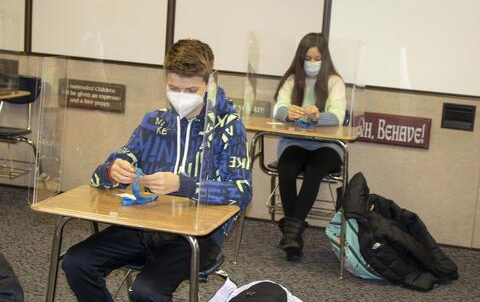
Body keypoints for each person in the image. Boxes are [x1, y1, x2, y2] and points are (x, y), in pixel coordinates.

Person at [62, 39, 252, 302]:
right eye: (174, 88)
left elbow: (241, 191)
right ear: (165, 82)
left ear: (207, 84)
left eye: (191, 89)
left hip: (194, 237)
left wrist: (183, 185)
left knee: (146, 292)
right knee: (76, 262)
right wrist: (112, 171)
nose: (181, 96)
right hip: (143, 226)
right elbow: (99, 176)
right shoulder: (154, 122)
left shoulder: (228, 127)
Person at [273, 32, 346, 262]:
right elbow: (278, 108)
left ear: (325, 58)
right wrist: (288, 113)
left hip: (328, 146)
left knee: (315, 169)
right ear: (300, 57)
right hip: (295, 142)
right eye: (308, 58)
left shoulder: (335, 81)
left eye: (317, 59)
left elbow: (338, 116)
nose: (312, 64)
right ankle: (294, 235)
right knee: (286, 166)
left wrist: (319, 116)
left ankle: (291, 233)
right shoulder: (292, 80)